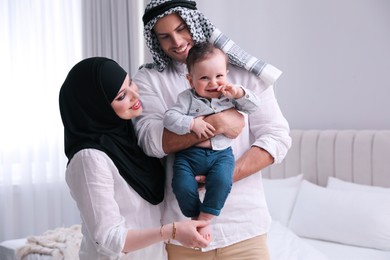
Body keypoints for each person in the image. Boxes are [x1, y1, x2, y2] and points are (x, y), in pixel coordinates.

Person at [133, 0, 292, 259]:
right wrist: (218, 123)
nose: (177, 41)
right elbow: (151, 142)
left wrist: (225, 177)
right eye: (165, 36)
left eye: (182, 28)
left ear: (196, 23)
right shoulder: (149, 80)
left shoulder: (243, 77)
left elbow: (277, 138)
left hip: (244, 228)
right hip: (182, 231)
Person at [59, 57, 211, 260]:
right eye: (121, 96)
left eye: (130, 82)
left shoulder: (131, 138)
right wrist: (172, 231)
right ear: (98, 107)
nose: (134, 95)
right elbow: (108, 238)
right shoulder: (89, 159)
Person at [162, 42, 261, 240]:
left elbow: (253, 107)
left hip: (221, 155)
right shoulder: (186, 98)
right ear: (191, 80)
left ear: (226, 74)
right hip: (189, 156)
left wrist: (239, 93)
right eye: (204, 78)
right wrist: (191, 124)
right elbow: (169, 117)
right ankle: (194, 216)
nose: (213, 83)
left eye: (219, 76)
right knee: (181, 186)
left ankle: (205, 219)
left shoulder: (229, 97)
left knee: (223, 181)